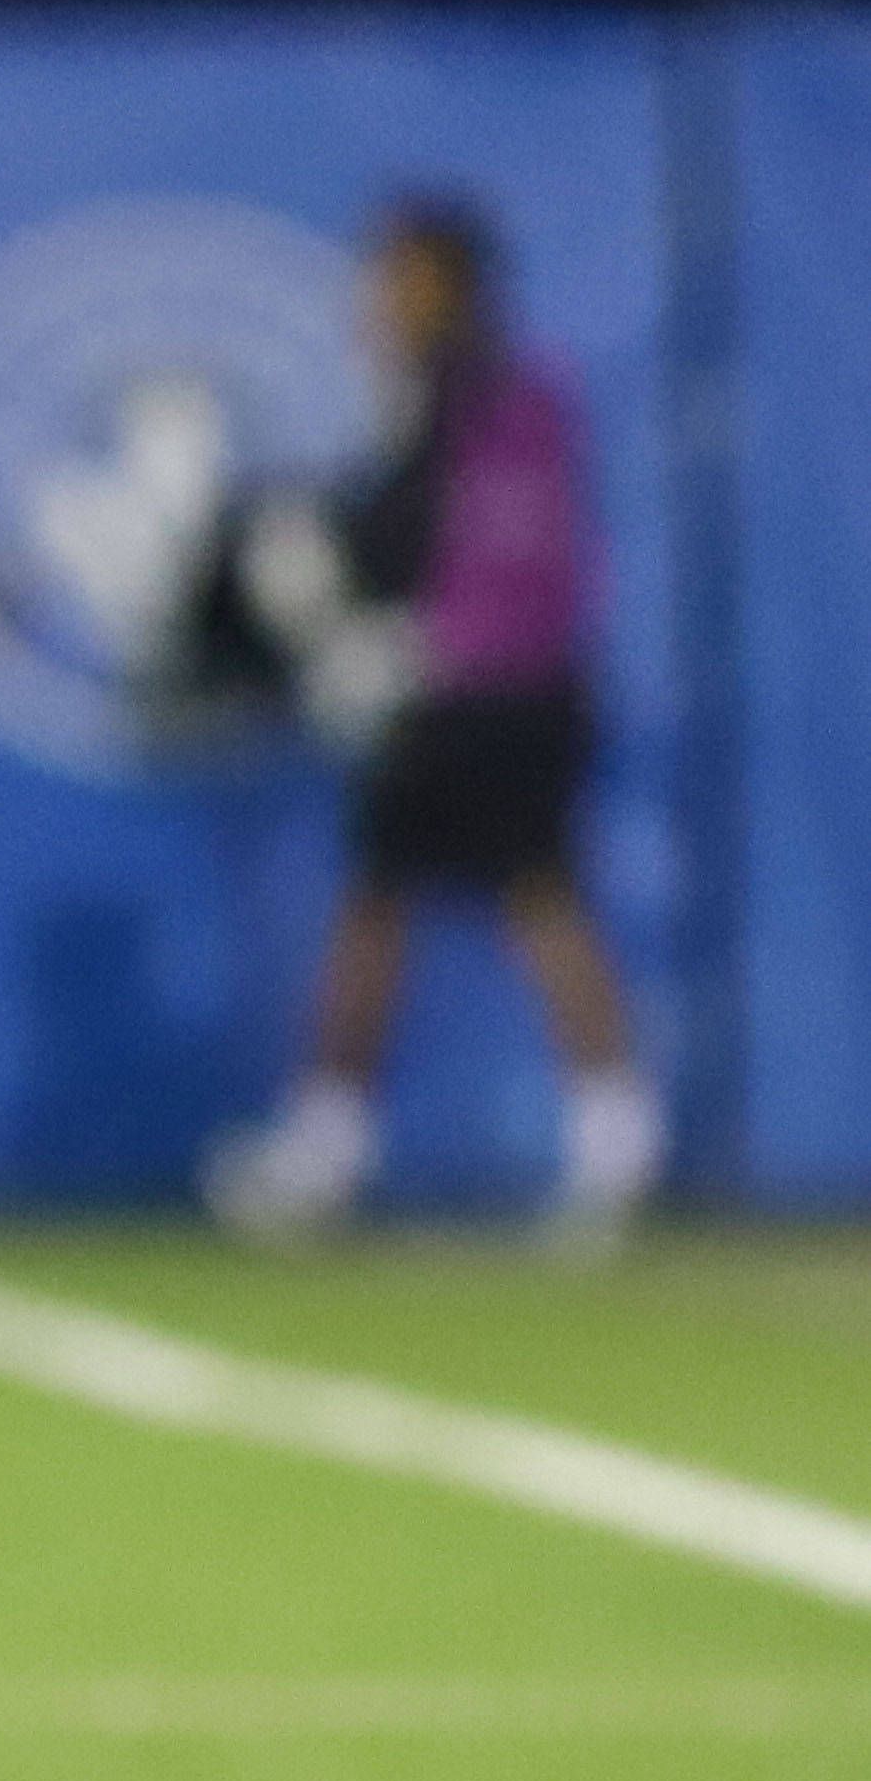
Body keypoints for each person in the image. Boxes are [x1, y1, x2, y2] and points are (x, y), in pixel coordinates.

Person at [205, 194, 660, 1243]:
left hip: (497, 698)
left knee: (531, 897)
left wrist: (409, 642)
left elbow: (495, 552)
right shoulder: (431, 399)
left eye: (399, 277)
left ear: (448, 286)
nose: (378, 297)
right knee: (380, 905)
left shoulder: (500, 397)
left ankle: (614, 1143)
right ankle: (328, 1146)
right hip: (462, 694)